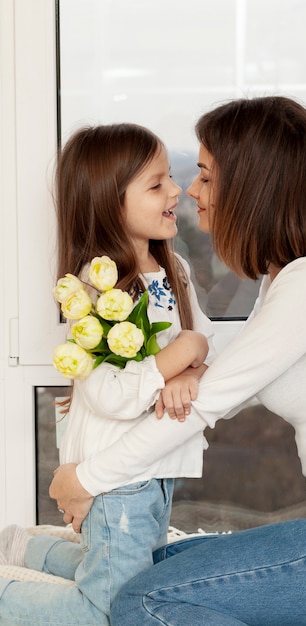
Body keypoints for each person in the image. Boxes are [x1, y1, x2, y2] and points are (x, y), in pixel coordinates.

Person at [46, 96, 306, 626]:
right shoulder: (291, 276)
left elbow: (208, 402)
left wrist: (85, 478)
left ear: (253, 186)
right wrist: (194, 361)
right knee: (154, 570)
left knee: (144, 600)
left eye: (205, 176)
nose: (190, 191)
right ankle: (31, 553)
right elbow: (228, 363)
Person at [0, 123, 216, 626]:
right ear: (109, 202)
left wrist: (192, 361)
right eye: (157, 183)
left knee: (125, 568)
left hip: (154, 469)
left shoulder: (175, 270)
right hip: (119, 477)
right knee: (110, 610)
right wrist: (179, 355)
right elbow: (112, 395)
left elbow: (204, 337)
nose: (177, 190)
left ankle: (25, 550)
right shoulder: (93, 293)